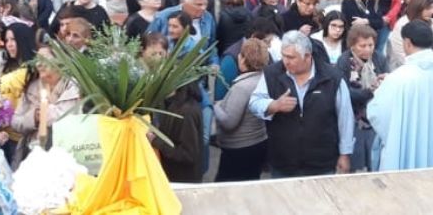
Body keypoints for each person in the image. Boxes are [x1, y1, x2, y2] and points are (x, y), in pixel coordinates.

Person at [249, 31, 354, 177]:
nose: (285, 61)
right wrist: (274, 105)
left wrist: (345, 154)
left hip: (321, 165)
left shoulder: (332, 78)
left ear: (307, 56)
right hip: (283, 164)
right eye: (283, 55)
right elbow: (254, 103)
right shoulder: (271, 74)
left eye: (291, 57)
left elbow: (345, 118)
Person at [368, 20, 433, 171]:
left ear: (408, 43)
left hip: (404, 149)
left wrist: (383, 88)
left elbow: (378, 114)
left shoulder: (399, 78)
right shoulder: (398, 77)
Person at [11, 46, 80, 166]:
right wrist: (33, 117)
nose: (39, 64)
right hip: (31, 154)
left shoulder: (72, 86)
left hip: (63, 155)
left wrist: (43, 113)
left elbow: (65, 117)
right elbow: (16, 121)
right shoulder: (32, 87)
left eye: (44, 59)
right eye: (37, 60)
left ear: (59, 61)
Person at [214, 38, 269, 182]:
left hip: (239, 148)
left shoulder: (242, 87)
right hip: (258, 142)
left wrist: (215, 106)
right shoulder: (263, 79)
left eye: (241, 54)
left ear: (244, 60)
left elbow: (229, 122)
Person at [336, 25, 387, 171]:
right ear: (352, 45)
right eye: (362, 45)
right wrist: (369, 92)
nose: (368, 49)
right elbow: (344, 92)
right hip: (353, 118)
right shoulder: (344, 61)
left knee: (375, 159)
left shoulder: (379, 58)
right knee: (356, 162)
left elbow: (387, 82)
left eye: (370, 45)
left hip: (375, 117)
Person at [148, 0, 218, 65]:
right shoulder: (163, 17)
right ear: (184, 2)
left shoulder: (208, 17)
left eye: (205, 4)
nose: (203, 8)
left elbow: (212, 46)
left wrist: (214, 63)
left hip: (199, 70)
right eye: (199, 4)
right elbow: (148, 43)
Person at [152, 81, 204, 183]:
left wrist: (156, 141)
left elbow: (188, 155)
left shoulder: (187, 112)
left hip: (182, 181)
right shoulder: (176, 104)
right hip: (176, 176)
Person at [387, 0, 433, 71]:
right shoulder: (402, 24)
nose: (432, 12)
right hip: (406, 70)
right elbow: (400, 54)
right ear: (418, 7)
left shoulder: (430, 22)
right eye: (428, 8)